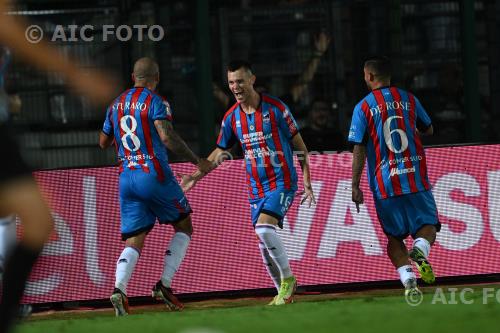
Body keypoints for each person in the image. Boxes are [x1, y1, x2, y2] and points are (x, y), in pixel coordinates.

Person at [180, 60, 316, 306]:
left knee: (264, 229)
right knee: (264, 245)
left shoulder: (276, 109)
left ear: (252, 80)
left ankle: (288, 279)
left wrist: (307, 180)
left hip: (282, 182)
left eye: (240, 81)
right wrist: (195, 176)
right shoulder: (231, 118)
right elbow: (220, 152)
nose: (235, 87)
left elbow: (301, 147)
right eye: (231, 82)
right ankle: (282, 296)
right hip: (256, 189)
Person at [99, 57, 213, 316]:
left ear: (132, 77)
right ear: (157, 78)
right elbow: (166, 135)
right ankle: (165, 284)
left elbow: (103, 142)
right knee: (184, 225)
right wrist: (197, 160)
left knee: (134, 238)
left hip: (127, 178)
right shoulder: (157, 102)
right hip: (155, 175)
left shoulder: (115, 105)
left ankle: (119, 289)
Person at [348, 56, 440, 297]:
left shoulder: (363, 107)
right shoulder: (409, 99)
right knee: (428, 226)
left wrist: (355, 185)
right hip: (415, 176)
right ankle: (420, 248)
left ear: (369, 76)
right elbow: (429, 128)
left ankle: (409, 280)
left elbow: (358, 146)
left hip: (385, 182)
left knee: (394, 237)